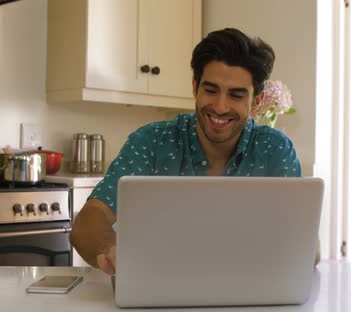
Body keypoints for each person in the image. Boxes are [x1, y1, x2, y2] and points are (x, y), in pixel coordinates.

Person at [71, 27, 313, 275]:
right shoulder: (151, 142)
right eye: (210, 90)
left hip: (249, 287)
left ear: (257, 101)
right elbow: (90, 219)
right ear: (195, 87)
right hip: (158, 287)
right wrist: (109, 247)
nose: (220, 107)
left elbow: (307, 244)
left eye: (236, 95)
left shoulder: (275, 149)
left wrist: (301, 247)